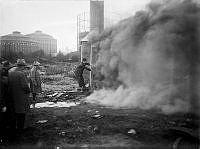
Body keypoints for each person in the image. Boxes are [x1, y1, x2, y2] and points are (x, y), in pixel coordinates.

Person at [8, 59, 30, 132]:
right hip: (21, 97)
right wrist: (28, 91)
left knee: (14, 113)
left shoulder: (10, 72)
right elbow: (25, 87)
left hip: (12, 96)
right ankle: (21, 128)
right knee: (22, 113)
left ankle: (14, 127)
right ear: (22, 66)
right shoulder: (21, 74)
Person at [0, 61, 10, 143]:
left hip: (4, 100)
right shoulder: (3, 73)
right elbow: (2, 92)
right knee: (3, 120)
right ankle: (3, 137)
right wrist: (3, 105)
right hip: (3, 102)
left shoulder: (2, 72)